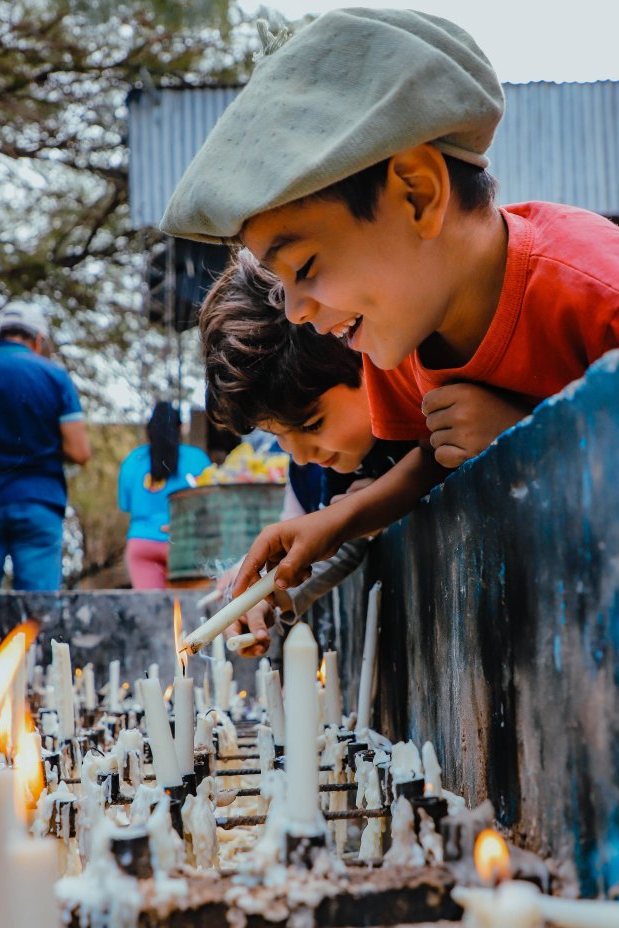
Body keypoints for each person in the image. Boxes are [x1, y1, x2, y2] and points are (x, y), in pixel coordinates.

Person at [160, 8, 619, 598]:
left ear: (417, 193)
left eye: (303, 268)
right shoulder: (397, 343)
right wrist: (332, 523)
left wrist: (529, 440)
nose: (297, 312)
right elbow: (428, 462)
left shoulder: (594, 289)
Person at [200, 249, 414, 654]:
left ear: (360, 345)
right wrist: (267, 594)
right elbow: (320, 541)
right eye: (278, 436)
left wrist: (368, 505)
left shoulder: (422, 401)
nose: (299, 456)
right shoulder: (316, 467)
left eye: (313, 425)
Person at [0, 300, 91, 591]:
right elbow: (80, 451)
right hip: (38, 501)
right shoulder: (54, 376)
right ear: (38, 339)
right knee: (38, 609)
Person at [118, 402, 209, 589]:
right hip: (183, 544)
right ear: (180, 428)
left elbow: (125, 504)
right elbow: (209, 504)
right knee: (190, 612)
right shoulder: (196, 458)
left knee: (152, 613)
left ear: (149, 429)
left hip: (141, 543)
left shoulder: (133, 460)